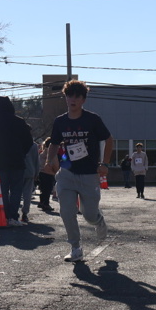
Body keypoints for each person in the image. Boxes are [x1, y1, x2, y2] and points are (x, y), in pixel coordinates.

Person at [44, 80, 112, 263]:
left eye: (77, 96)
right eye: (69, 96)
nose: (72, 99)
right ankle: (75, 248)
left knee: (89, 215)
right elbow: (54, 143)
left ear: (83, 100)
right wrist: (50, 160)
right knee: (66, 211)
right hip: (67, 174)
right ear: (65, 98)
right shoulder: (60, 121)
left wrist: (105, 163)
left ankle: (98, 221)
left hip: (89, 174)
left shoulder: (92, 119)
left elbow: (109, 140)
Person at [0, 96, 33, 226]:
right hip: (17, 161)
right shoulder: (20, 122)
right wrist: (22, 153)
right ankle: (13, 217)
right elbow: (29, 142)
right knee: (16, 190)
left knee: (2, 190)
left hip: (0, 162)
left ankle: (3, 216)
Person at [21, 139, 40, 223]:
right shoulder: (34, 145)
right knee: (27, 194)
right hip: (30, 171)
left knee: (16, 192)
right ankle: (25, 213)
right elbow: (36, 160)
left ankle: (13, 213)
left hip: (19, 170)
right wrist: (37, 172)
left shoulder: (18, 142)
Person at [37, 137, 57, 211]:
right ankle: (46, 204)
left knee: (43, 189)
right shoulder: (52, 153)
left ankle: (42, 202)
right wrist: (56, 170)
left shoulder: (42, 153)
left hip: (41, 172)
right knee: (48, 189)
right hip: (49, 172)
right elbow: (54, 163)